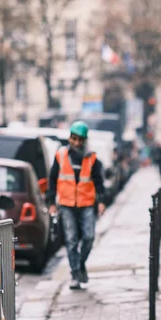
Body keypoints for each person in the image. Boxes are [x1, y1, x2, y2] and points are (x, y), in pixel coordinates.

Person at [47, 121, 106, 290]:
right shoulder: (61, 156)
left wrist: (101, 201)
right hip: (66, 204)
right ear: (69, 138)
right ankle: (75, 274)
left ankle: (79, 265)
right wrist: (51, 202)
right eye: (74, 138)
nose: (77, 142)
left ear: (85, 140)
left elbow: (99, 182)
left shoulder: (92, 159)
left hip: (86, 203)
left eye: (80, 139)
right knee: (71, 240)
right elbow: (52, 180)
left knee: (89, 237)